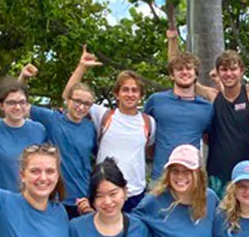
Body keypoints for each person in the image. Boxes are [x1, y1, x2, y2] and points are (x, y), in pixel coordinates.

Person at [22, 48, 156, 213]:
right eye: (125, 90)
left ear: (141, 95)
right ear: (117, 94)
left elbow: (150, 150)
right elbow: (70, 96)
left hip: (134, 191)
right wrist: (82, 67)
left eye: (134, 90)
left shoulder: (148, 122)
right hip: (102, 189)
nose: (130, 94)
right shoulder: (103, 114)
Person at [175, 46, 249, 197]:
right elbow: (183, 74)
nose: (229, 74)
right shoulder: (212, 96)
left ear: (241, 70)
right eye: (224, 70)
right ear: (218, 72)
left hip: (247, 174)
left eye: (233, 69)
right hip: (217, 175)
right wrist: (172, 39)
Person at [18, 55, 97, 218]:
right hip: (54, 197)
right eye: (77, 101)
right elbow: (18, 103)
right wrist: (23, 78)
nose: (81, 107)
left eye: (87, 104)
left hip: (82, 199)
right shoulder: (52, 119)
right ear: (68, 100)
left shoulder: (91, 127)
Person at [144, 54, 213, 181]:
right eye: (179, 69)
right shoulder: (156, 101)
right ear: (172, 75)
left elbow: (209, 139)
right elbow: (143, 132)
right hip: (160, 176)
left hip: (191, 178)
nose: (184, 72)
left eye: (189, 68)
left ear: (196, 74)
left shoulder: (207, 108)